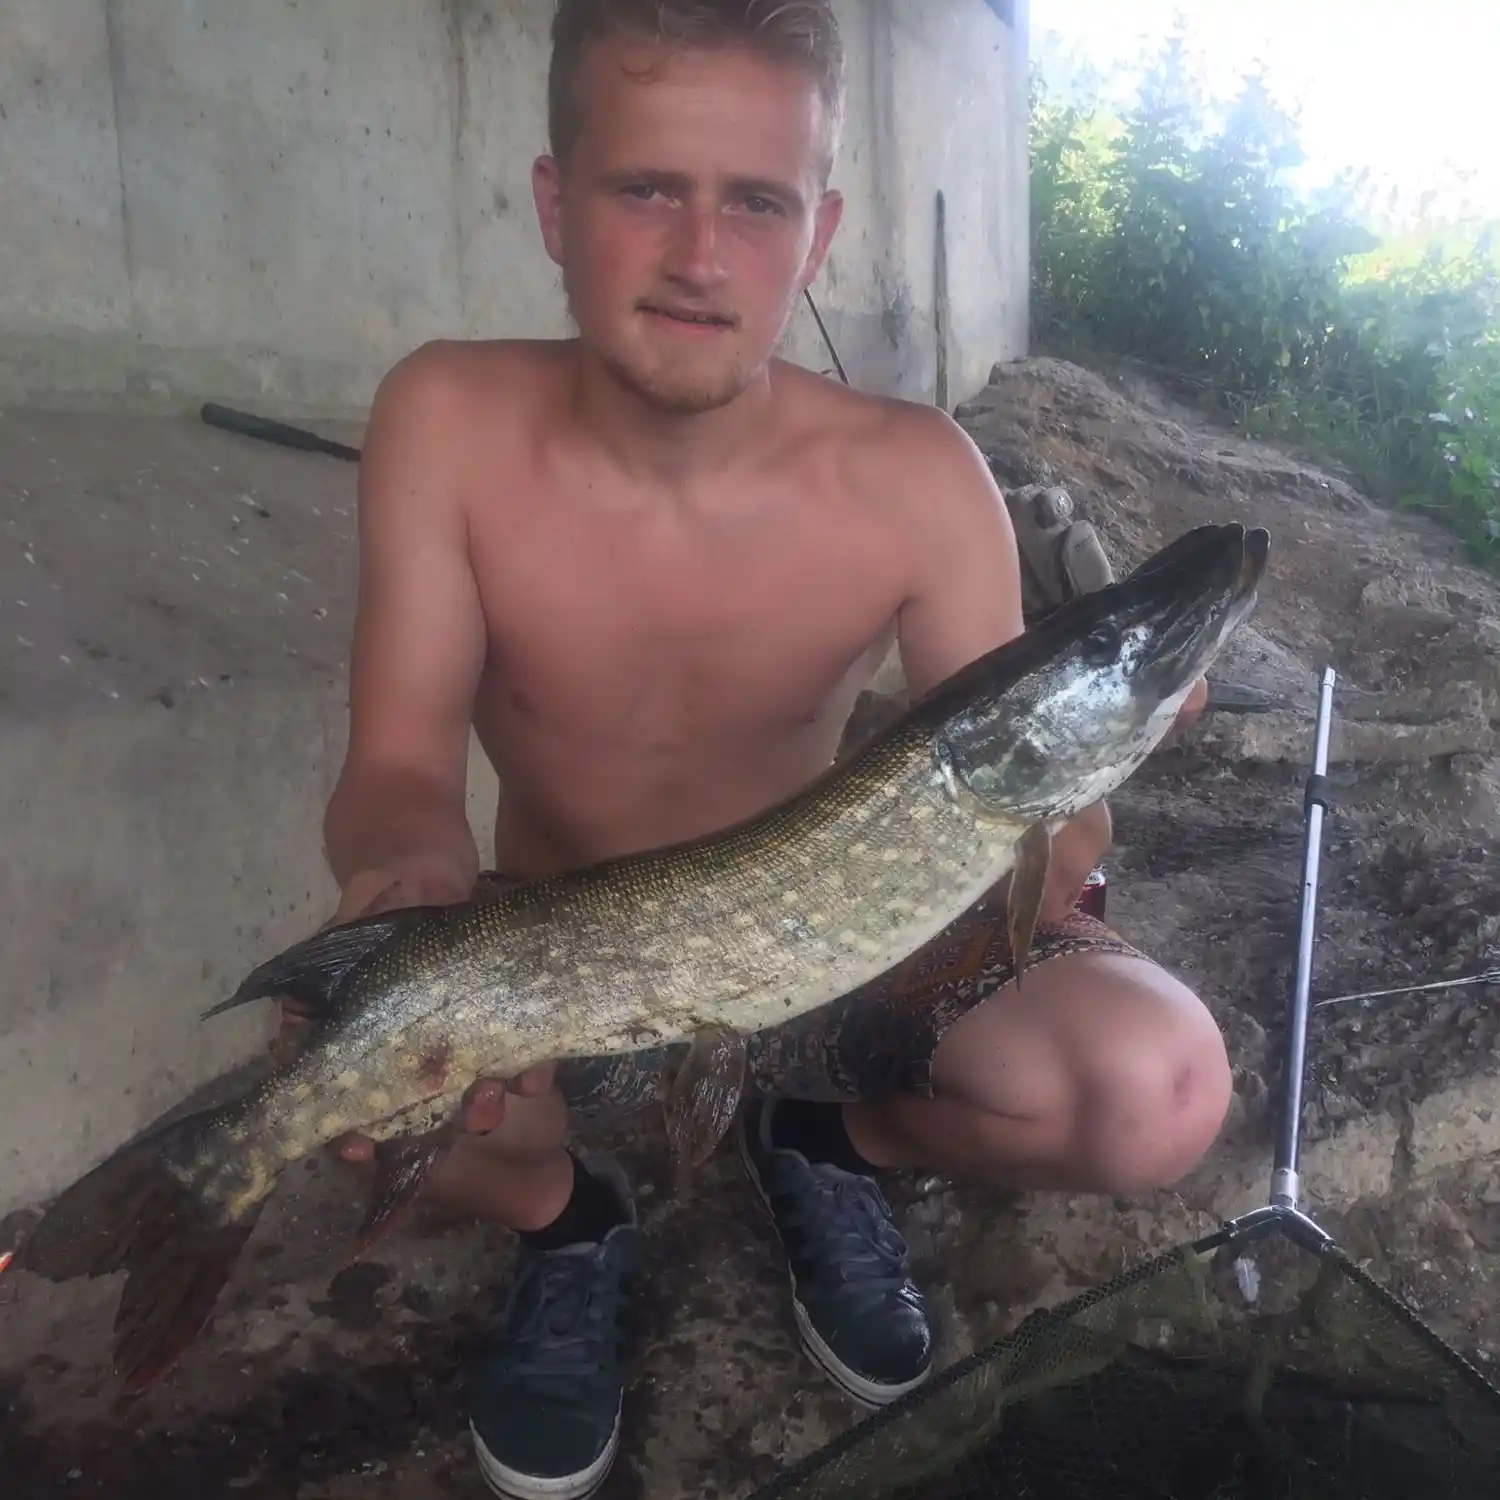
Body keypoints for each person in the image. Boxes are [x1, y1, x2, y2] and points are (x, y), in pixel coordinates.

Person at [281, 4, 1226, 1496]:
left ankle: (829, 1136)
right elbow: (396, 770)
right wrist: (402, 882)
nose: (699, 255)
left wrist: (1099, 781)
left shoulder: (919, 477)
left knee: (1159, 1085)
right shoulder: (446, 418)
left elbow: (1034, 838)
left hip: (847, 964)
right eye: (648, 186)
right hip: (570, 977)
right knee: (334, 1067)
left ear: (820, 226)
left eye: (757, 201)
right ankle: (564, 1217)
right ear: (554, 202)